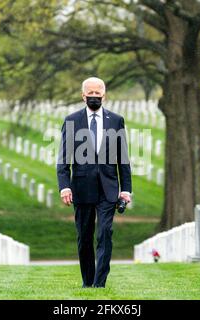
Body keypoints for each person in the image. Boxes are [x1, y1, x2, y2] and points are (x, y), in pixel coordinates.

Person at [56, 77, 132, 288]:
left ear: (104, 96)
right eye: (91, 94)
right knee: (84, 237)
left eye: (98, 94)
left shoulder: (116, 121)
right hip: (82, 188)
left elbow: (123, 159)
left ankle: (99, 284)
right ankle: (88, 282)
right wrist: (64, 186)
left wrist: (126, 190)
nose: (94, 97)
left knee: (105, 233)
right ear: (83, 96)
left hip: (108, 189)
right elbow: (64, 158)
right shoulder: (72, 121)